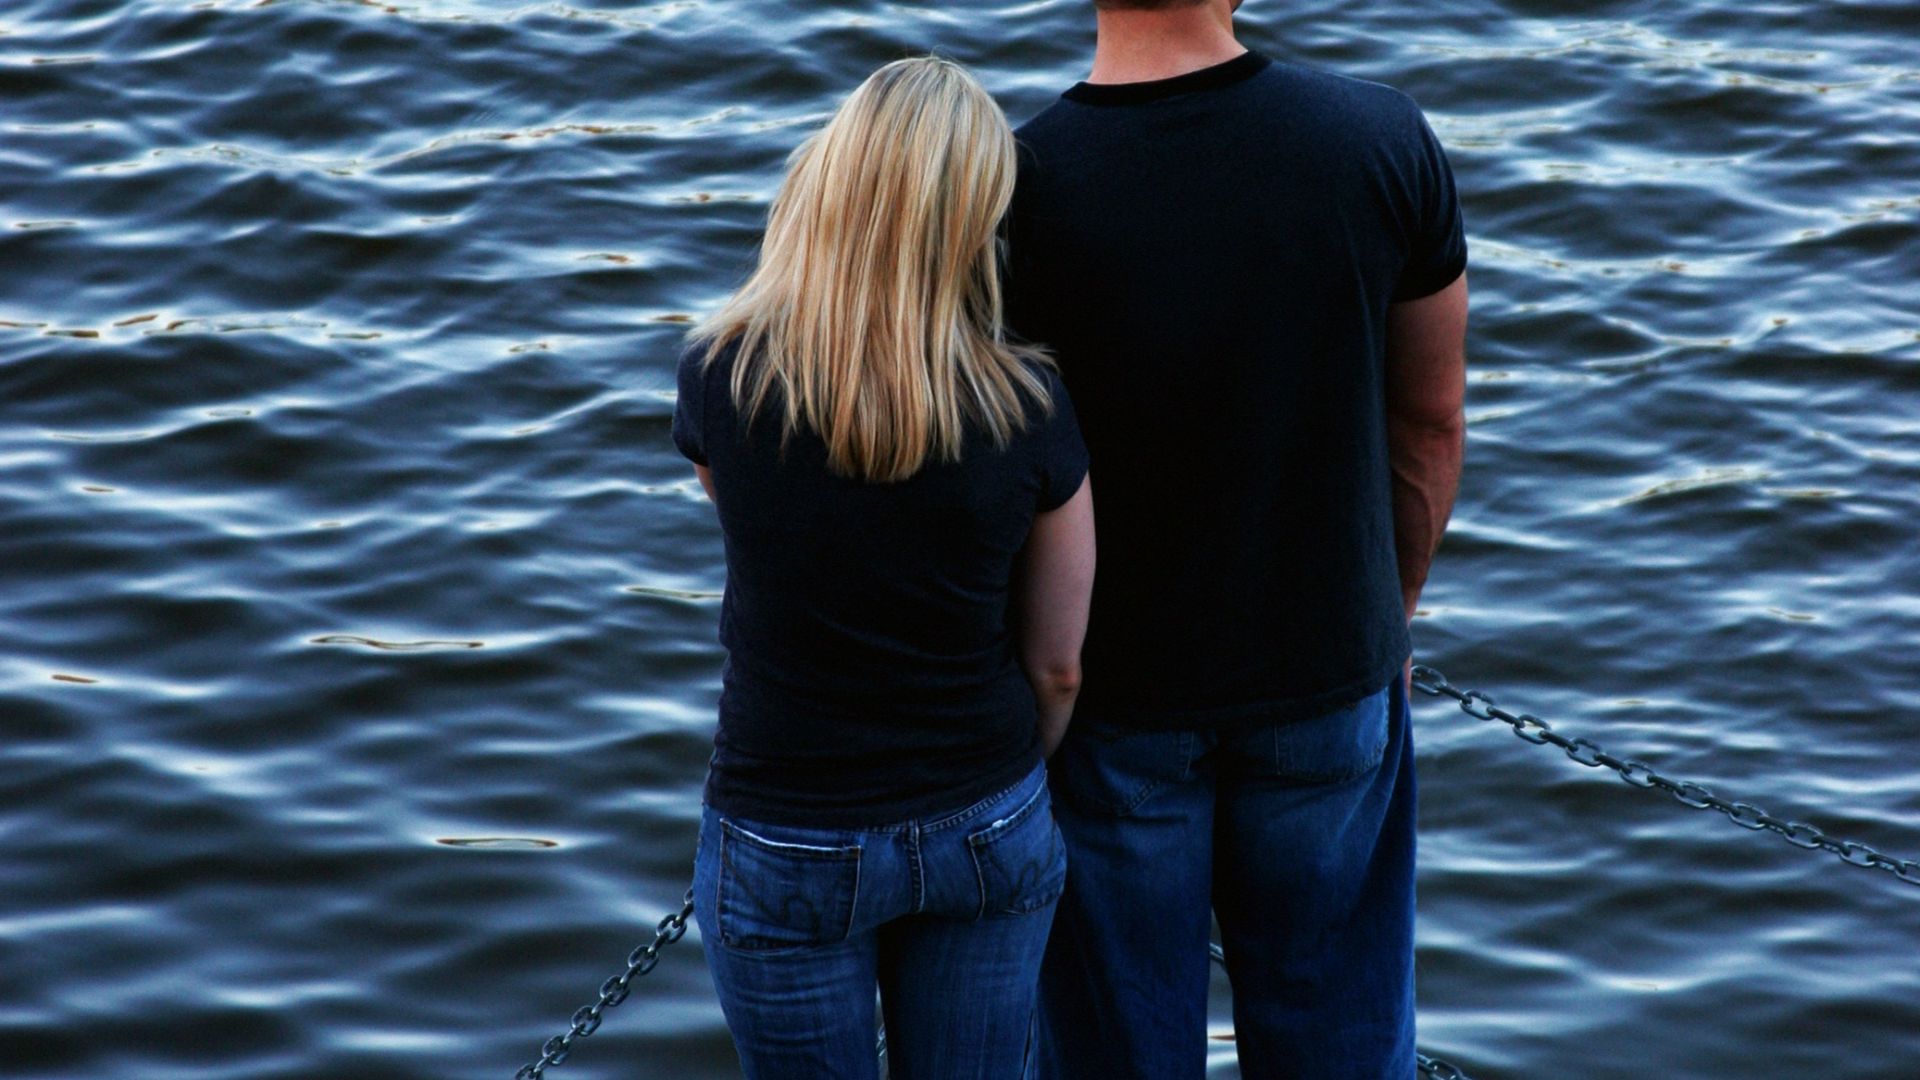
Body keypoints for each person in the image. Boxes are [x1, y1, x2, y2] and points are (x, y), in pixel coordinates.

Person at [1001, 2, 1468, 1078]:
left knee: (1119, 1052)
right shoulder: (1379, 141)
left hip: (1109, 703)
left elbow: (998, 472)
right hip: (1328, 677)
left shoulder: (1013, 190)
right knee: (1342, 1043)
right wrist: (1381, 616)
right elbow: (1430, 421)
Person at [671, 55, 1097, 1079]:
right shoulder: (1028, 404)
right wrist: (988, 775)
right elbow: (1058, 669)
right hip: (983, 817)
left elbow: (756, 541)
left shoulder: (722, 376)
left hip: (787, 826)